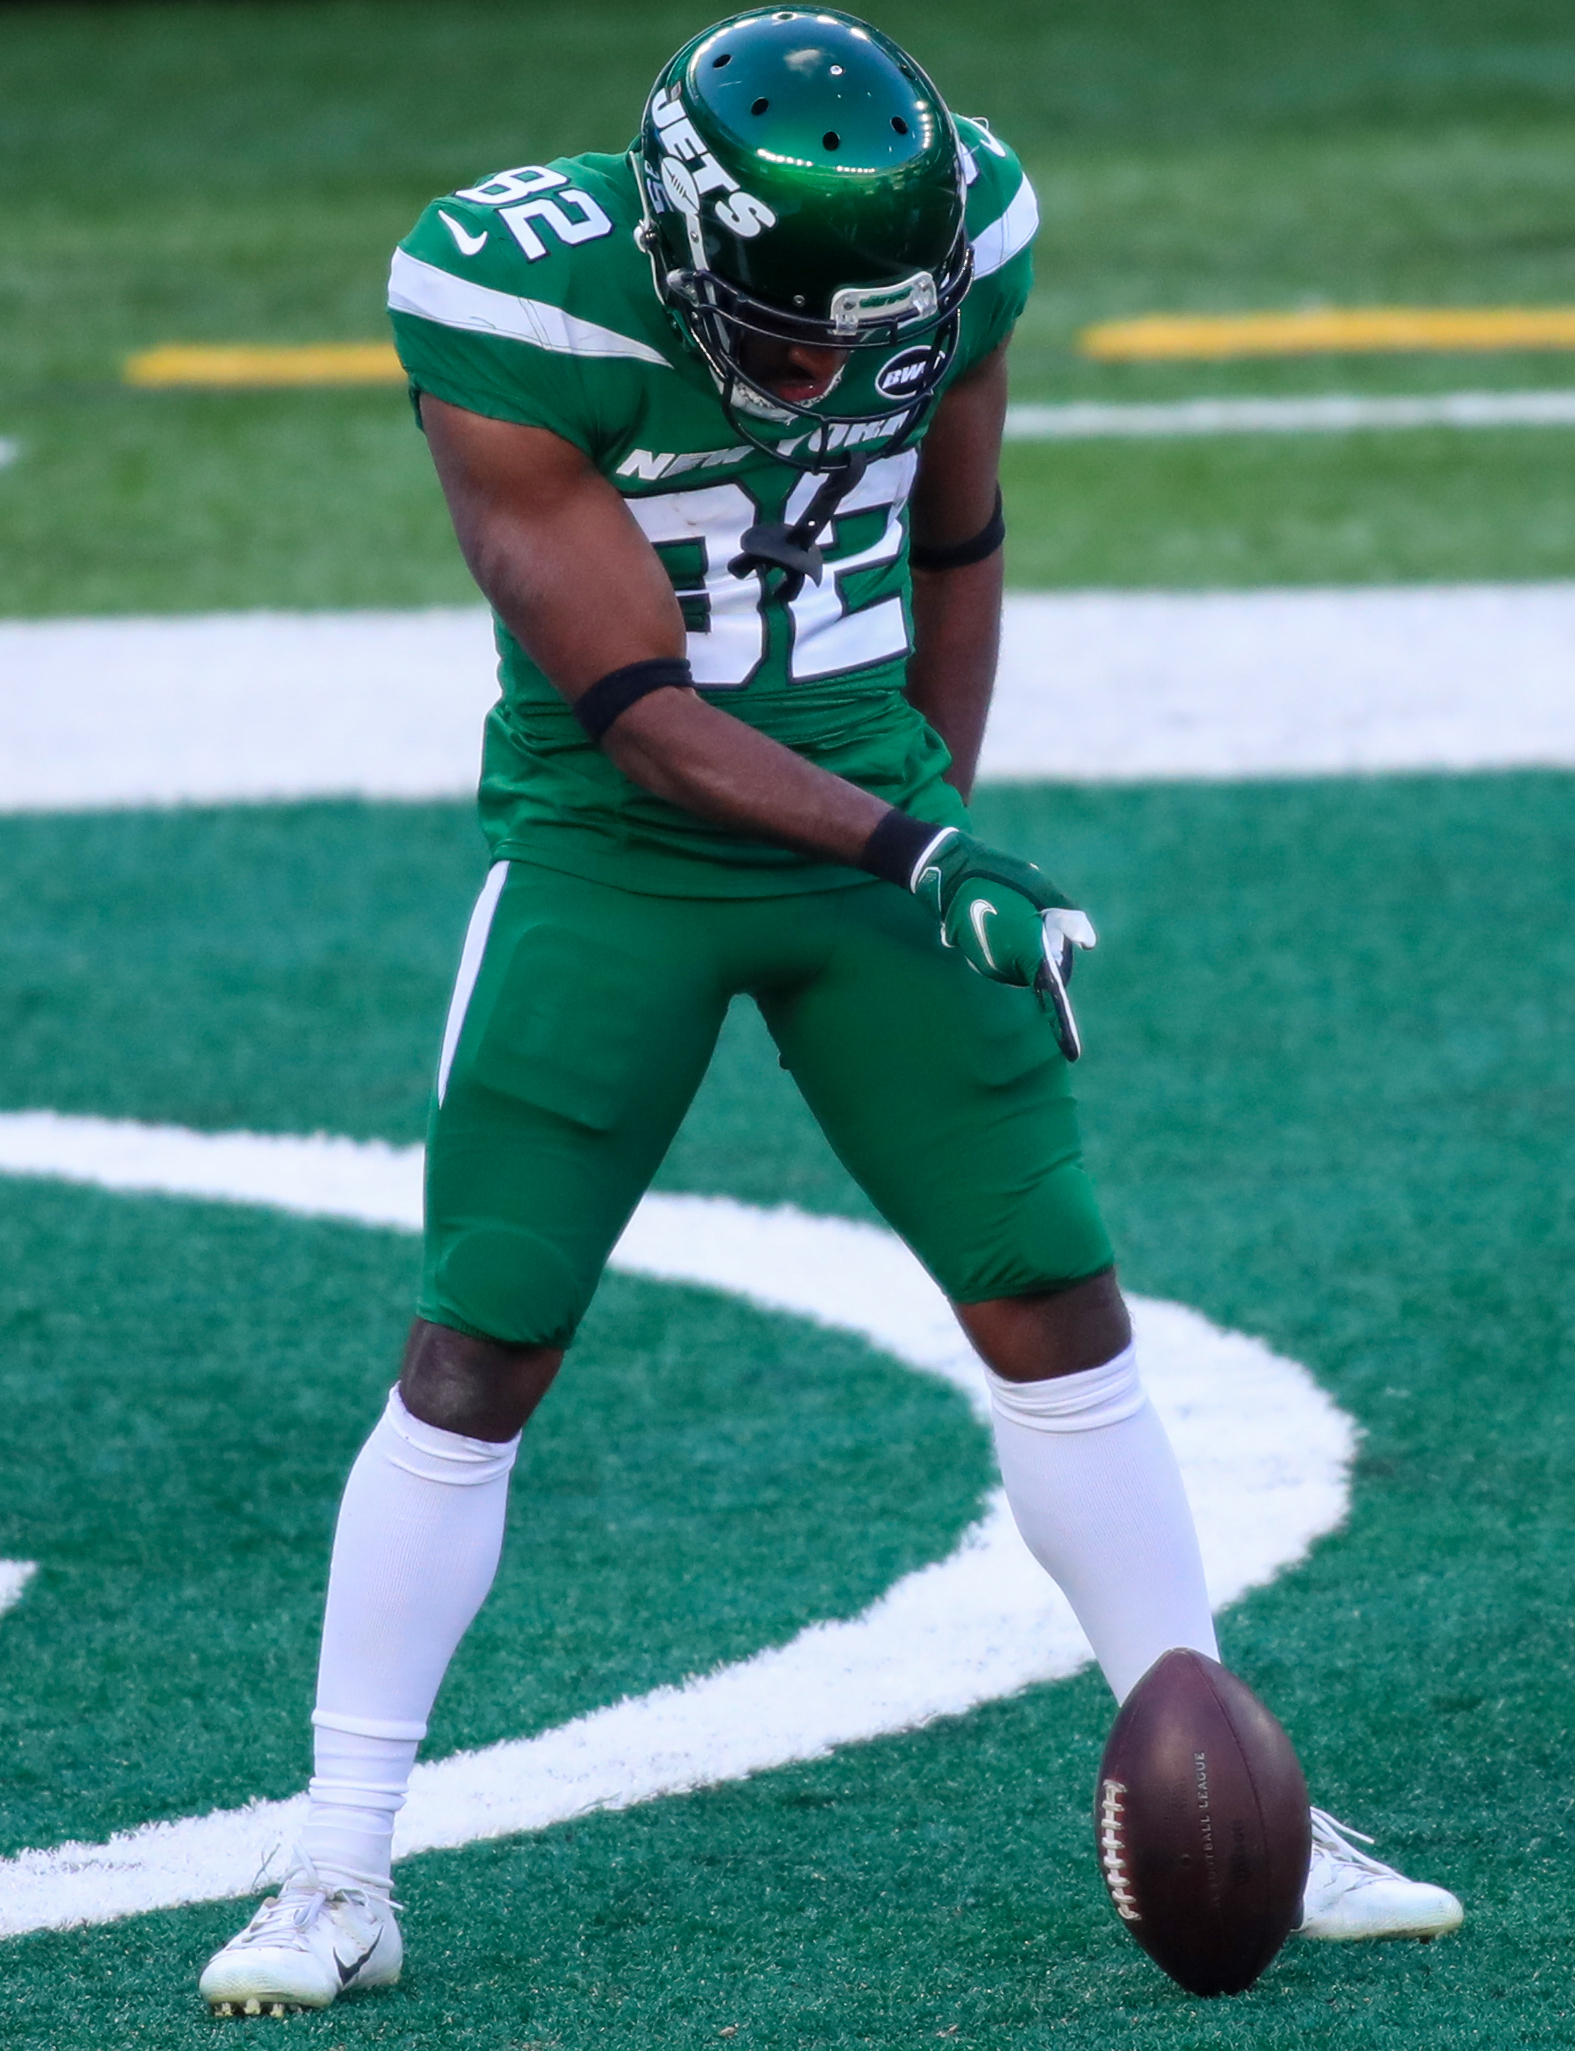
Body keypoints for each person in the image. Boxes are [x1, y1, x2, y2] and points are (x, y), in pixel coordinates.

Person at [198, 8, 1461, 2015]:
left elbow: (955, 539)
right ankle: (336, 1869)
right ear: (686, 249)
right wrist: (916, 857)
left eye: (880, 325)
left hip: (874, 806)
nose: (842, 366)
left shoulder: (956, 244)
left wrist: (931, 820)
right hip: (621, 846)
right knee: (483, 1333)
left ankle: (1237, 1797)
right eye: (795, 334)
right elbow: (640, 712)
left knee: (1052, 1289)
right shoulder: (510, 299)